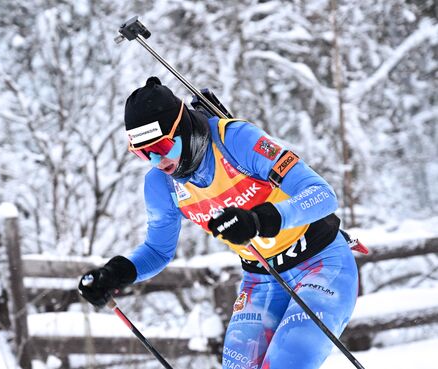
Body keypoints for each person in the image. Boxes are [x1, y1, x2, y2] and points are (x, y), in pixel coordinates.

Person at [78, 76, 361, 369]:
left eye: (162, 148)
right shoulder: (161, 185)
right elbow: (158, 250)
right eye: (143, 153)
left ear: (184, 129)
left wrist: (259, 220)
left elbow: (322, 195)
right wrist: (117, 273)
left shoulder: (235, 140)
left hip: (321, 263)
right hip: (262, 279)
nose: (157, 162)